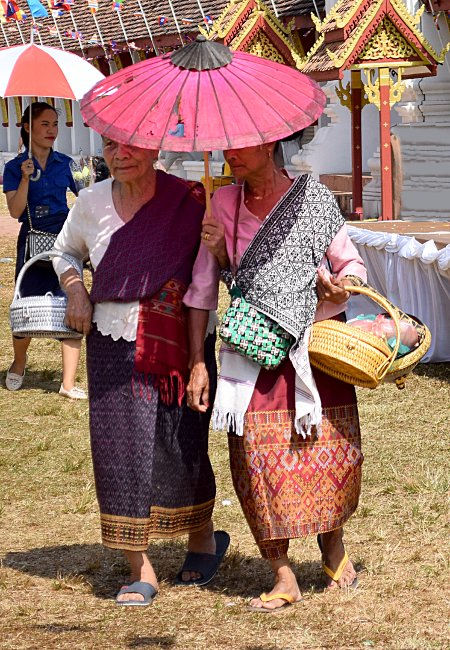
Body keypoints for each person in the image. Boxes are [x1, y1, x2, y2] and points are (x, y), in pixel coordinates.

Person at [184, 142, 367, 612]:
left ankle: (333, 547)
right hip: (253, 352)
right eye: (227, 146)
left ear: (270, 144)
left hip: (315, 348)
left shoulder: (313, 199)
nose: (230, 155)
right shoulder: (222, 203)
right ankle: (282, 574)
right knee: (255, 459)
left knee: (325, 449)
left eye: (241, 146)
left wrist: (339, 284)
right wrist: (198, 362)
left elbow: (352, 266)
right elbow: (204, 287)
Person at [52, 138, 229, 606]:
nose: (119, 154)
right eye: (111, 145)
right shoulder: (90, 201)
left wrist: (196, 361)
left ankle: (202, 540)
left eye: (131, 146)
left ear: (154, 150)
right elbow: (63, 252)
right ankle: (140, 565)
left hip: (180, 344)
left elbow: (205, 280)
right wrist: (74, 290)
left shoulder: (190, 200)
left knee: (184, 442)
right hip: (111, 341)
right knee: (119, 451)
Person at [3, 102, 86, 399]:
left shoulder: (67, 163)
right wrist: (25, 177)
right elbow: (14, 211)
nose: (52, 131)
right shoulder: (13, 168)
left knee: (72, 301)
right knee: (24, 302)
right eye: (45, 124)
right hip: (31, 239)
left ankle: (67, 383)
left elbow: (86, 195)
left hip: (63, 240)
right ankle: (19, 362)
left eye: (55, 124)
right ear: (28, 127)